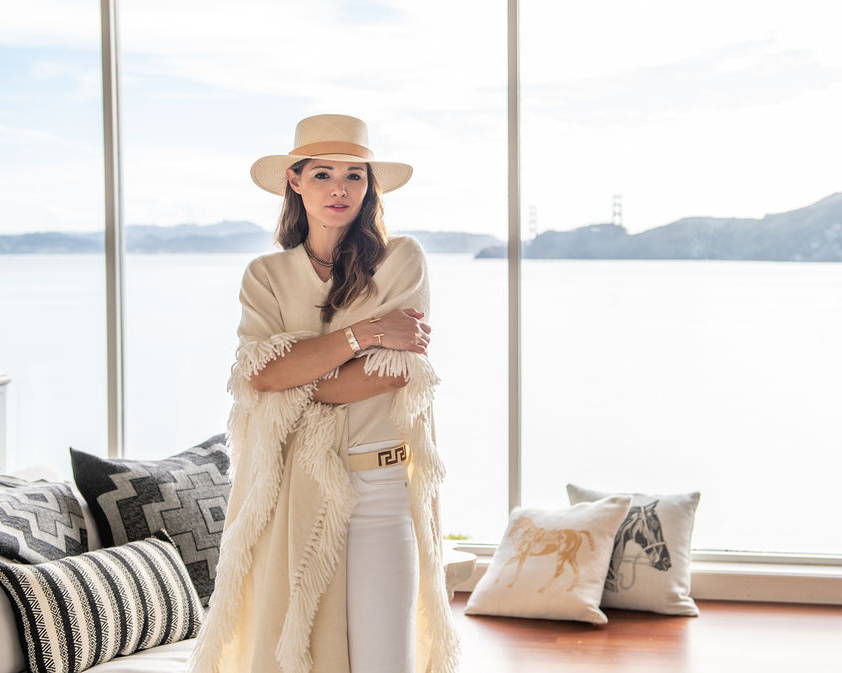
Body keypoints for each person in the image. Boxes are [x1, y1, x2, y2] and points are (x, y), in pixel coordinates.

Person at [187, 114, 461, 673]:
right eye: (323, 174)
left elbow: (391, 373)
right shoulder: (265, 274)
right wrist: (364, 335)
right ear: (295, 181)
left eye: (354, 175)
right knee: (302, 654)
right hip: (292, 485)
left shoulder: (401, 259)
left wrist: (299, 381)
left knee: (387, 658)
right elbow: (261, 377)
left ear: (369, 186)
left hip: (383, 483)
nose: (339, 189)